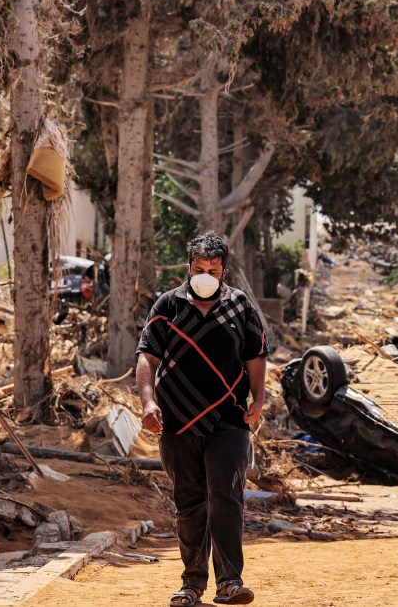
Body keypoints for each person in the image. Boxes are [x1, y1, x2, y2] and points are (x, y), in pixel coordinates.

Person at [136, 232, 268, 606]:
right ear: (187, 268)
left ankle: (230, 583)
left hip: (230, 421)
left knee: (226, 497)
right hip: (177, 422)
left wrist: (259, 397)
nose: (205, 275)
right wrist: (148, 402)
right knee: (190, 503)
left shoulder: (240, 307)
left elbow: (256, 355)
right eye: (199, 269)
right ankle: (192, 584)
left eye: (213, 269)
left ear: (224, 271)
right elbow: (146, 357)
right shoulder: (167, 306)